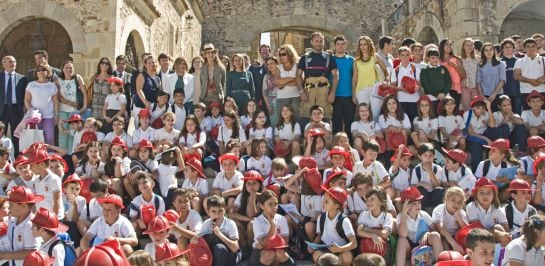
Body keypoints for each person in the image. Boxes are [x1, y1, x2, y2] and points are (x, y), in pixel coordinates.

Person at [296, 32, 338, 125]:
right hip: (308, 91)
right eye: (316, 41)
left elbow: (335, 75)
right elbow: (298, 75)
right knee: (306, 115)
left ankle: (324, 137)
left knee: (325, 115)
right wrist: (301, 92)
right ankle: (307, 137)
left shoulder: (329, 57)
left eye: (321, 41)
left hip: (324, 91)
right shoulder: (304, 57)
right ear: (312, 42)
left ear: (323, 42)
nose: (318, 43)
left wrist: (332, 93)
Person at [191, 195, 241, 266]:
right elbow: (200, 238)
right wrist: (194, 239)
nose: (217, 215)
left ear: (225, 210)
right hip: (214, 256)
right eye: (213, 211)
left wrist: (219, 234)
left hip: (229, 256)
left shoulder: (230, 224)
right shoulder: (206, 223)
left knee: (219, 247)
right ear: (208, 212)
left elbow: (235, 248)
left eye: (220, 211)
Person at [0, 186, 43, 266]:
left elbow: (32, 252)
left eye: (11, 205)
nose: (9, 208)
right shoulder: (13, 221)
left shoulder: (31, 225)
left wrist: (4, 255)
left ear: (24, 206)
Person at [353, 35, 388, 121]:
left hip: (375, 89)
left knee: (375, 114)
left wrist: (386, 81)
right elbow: (354, 78)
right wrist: (353, 94)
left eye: (365, 44)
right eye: (361, 45)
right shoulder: (356, 60)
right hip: (361, 90)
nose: (363, 46)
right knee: (364, 114)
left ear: (369, 45)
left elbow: (386, 72)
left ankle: (376, 133)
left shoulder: (375, 57)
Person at [24, 64, 59, 146]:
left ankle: (49, 156)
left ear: (48, 72)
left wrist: (56, 114)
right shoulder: (31, 85)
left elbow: (56, 102)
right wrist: (31, 111)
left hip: (48, 116)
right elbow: (27, 100)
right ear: (36, 73)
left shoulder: (52, 85)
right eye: (39, 70)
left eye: (43, 70)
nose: (41, 72)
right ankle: (36, 157)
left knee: (49, 138)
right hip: (35, 117)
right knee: (35, 138)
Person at [331, 35, 356, 139]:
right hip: (335, 96)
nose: (341, 46)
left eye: (343, 44)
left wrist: (354, 94)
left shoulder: (352, 60)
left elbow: (355, 78)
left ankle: (349, 146)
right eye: (338, 44)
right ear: (335, 46)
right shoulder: (330, 60)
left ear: (346, 45)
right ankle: (336, 147)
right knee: (336, 123)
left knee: (349, 122)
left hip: (349, 96)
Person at [1, 56, 27, 155]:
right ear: (4, 64)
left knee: (16, 136)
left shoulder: (22, 78)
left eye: (14, 62)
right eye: (11, 62)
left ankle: (17, 159)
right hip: (2, 110)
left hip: (16, 110)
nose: (13, 64)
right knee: (1, 135)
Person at [514, 38, 545, 110]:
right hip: (526, 92)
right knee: (527, 115)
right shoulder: (519, 61)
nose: (531, 48)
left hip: (542, 91)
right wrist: (531, 81)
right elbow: (516, 76)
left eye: (533, 46)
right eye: (528, 46)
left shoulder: (544, 59)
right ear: (524, 48)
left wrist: (542, 79)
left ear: (536, 47)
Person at [476, 43, 506, 111]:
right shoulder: (480, 65)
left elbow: (502, 80)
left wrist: (494, 94)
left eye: (491, 50)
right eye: (486, 50)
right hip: (484, 96)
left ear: (494, 51)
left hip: (497, 94)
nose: (489, 52)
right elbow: (478, 82)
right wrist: (482, 96)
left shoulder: (500, 64)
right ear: (483, 52)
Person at [133, 55, 161, 128]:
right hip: (140, 106)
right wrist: (145, 102)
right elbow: (139, 89)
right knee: (140, 128)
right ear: (145, 65)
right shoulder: (142, 75)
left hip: (152, 107)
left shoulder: (158, 78)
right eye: (149, 63)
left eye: (153, 62)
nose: (152, 64)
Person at [501, 38, 523, 114]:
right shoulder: (499, 62)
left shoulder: (519, 61)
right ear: (502, 49)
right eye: (506, 47)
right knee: (506, 116)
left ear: (513, 48)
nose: (508, 49)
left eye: (510, 47)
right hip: (504, 94)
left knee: (517, 115)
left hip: (517, 93)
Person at [460, 38, 480, 111]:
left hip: (475, 88)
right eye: (467, 45)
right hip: (465, 87)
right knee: (467, 110)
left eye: (471, 45)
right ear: (463, 47)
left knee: (477, 110)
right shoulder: (459, 59)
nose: (469, 47)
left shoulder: (478, 59)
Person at [249, 44, 271, 110]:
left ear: (269, 51)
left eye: (266, 50)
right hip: (262, 99)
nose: (264, 52)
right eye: (262, 51)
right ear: (260, 53)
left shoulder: (276, 65)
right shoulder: (258, 69)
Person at [112, 55, 132, 122]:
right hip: (113, 107)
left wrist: (126, 110)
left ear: (126, 65)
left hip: (126, 108)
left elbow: (130, 95)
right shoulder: (111, 75)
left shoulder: (130, 77)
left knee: (124, 128)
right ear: (116, 64)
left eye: (123, 63)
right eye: (119, 63)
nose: (121, 65)